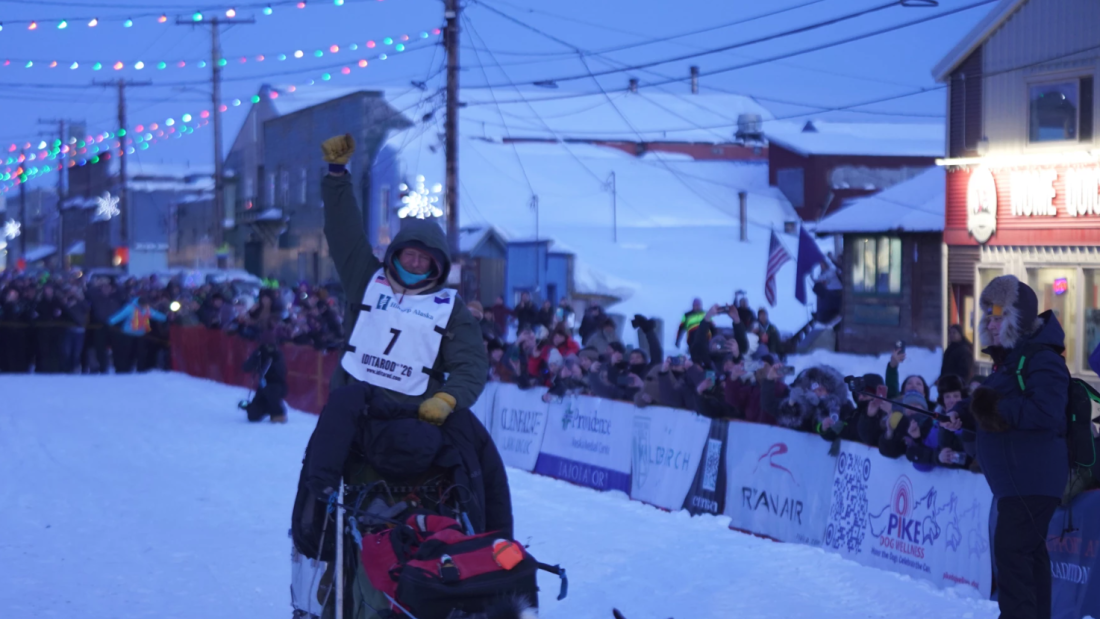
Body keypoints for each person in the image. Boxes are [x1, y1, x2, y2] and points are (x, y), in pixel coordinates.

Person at [292, 134, 510, 618]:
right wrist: (336, 178)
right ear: (398, 254)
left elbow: (472, 362)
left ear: (437, 264)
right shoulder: (364, 279)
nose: (415, 264)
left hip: (423, 411)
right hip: (363, 410)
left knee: (482, 456)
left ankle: (496, 561)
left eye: (425, 259)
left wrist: (450, 400)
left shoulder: (450, 309)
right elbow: (344, 232)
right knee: (332, 425)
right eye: (409, 255)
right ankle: (312, 525)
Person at [963, 274, 1068, 619]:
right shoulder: (1009, 362)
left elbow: (1046, 412)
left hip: (1031, 482)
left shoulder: (1041, 358)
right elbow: (996, 414)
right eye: (988, 318)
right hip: (1021, 484)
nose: (991, 326)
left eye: (998, 318)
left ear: (1017, 319)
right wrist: (965, 417)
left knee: (1011, 554)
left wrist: (990, 406)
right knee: (1028, 558)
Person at [107, 296, 167, 373]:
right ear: (140, 304)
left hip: (140, 335)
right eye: (144, 305)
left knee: (141, 354)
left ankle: (140, 369)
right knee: (127, 353)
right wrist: (110, 321)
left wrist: (166, 318)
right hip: (128, 334)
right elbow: (120, 315)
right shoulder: (130, 308)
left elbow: (156, 315)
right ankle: (124, 369)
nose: (145, 307)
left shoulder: (147, 309)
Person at [239, 331, 288, 423]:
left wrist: (272, 360)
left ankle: (278, 412)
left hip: (277, 386)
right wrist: (254, 359)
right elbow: (246, 368)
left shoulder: (278, 355)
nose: (268, 348)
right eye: (266, 345)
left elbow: (280, 373)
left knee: (271, 391)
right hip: (262, 387)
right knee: (252, 416)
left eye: (270, 346)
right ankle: (261, 408)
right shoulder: (259, 353)